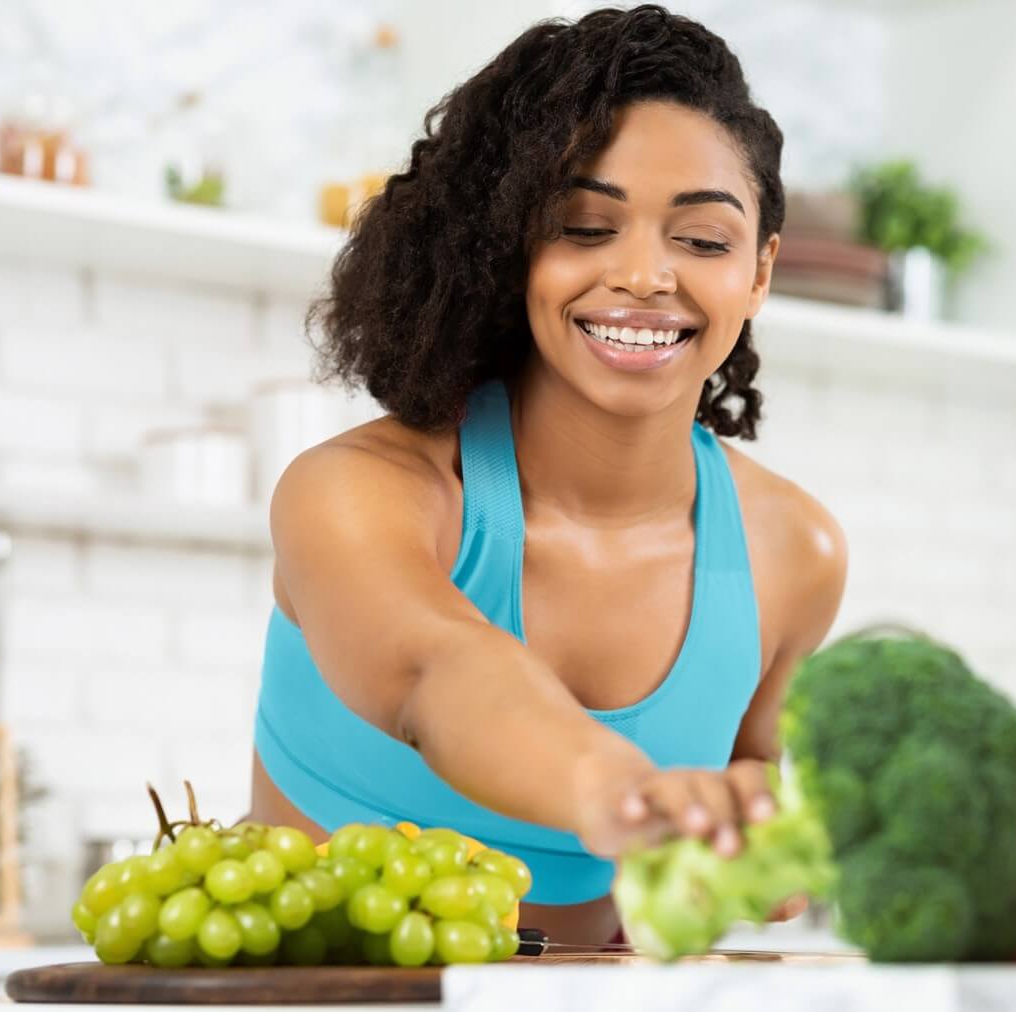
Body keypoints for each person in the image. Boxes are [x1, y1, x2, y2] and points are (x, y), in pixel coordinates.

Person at [248, 4, 847, 944]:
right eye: (582, 226)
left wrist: (753, 826)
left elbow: (753, 762)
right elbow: (440, 671)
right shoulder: (360, 494)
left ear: (760, 269)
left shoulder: (794, 552)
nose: (646, 277)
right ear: (510, 245)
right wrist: (623, 790)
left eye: (701, 239)